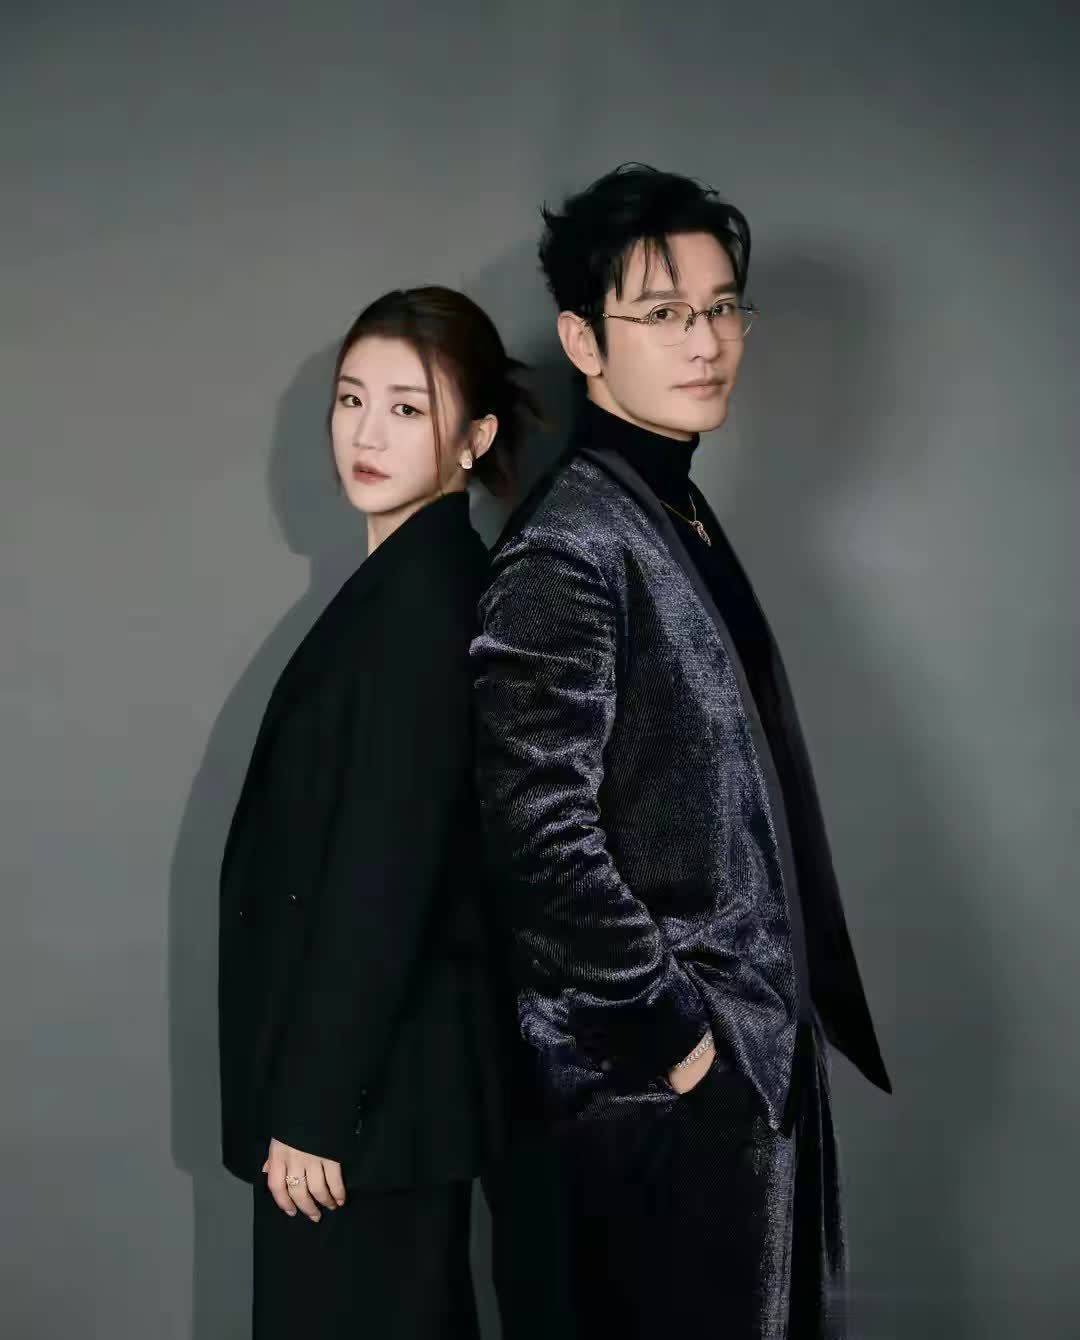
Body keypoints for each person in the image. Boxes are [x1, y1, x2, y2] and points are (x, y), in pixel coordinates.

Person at [469, 164, 891, 1338]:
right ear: (583, 340)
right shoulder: (567, 547)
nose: (705, 342)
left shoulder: (672, 509)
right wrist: (682, 1039)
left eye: (721, 307)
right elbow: (535, 834)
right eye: (661, 313)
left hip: (739, 1070)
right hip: (652, 1098)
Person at [218, 286, 540, 1338]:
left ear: (474, 438)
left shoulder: (427, 604)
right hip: (378, 1099)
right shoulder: (405, 585)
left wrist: (315, 1108)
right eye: (352, 399)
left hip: (367, 1110)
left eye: (409, 408)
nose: (366, 432)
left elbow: (385, 872)